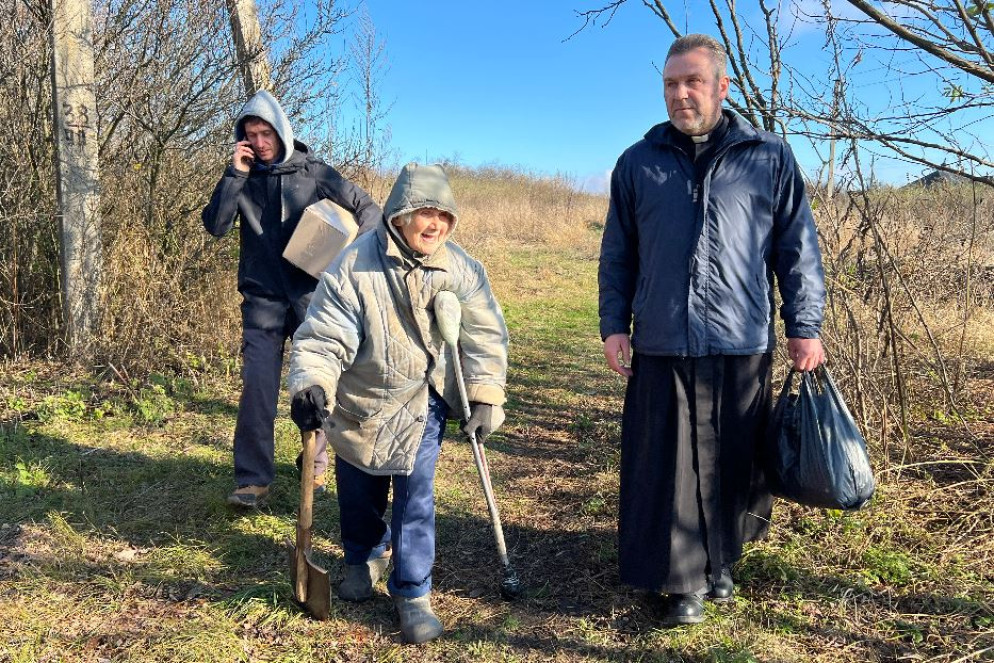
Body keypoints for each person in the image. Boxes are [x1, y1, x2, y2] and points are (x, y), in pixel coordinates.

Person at [598, 34, 827, 626]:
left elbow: (796, 248)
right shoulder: (638, 162)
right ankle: (682, 584)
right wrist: (613, 326)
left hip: (740, 336)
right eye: (671, 84)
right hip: (662, 339)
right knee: (668, 467)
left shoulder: (768, 157)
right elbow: (617, 255)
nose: (680, 94)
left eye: (692, 82)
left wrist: (805, 326)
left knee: (735, 459)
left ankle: (722, 563)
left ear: (721, 87)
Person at [286, 163, 509, 644]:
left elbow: (485, 335)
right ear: (399, 215)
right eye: (424, 213)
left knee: (416, 499)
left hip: (423, 402)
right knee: (358, 491)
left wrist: (486, 393)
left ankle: (412, 591)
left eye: (443, 216)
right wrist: (312, 383)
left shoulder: (462, 268)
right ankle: (362, 557)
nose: (435, 224)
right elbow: (324, 336)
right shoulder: (354, 265)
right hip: (360, 401)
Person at [202, 90, 382, 508]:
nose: (260, 142)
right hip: (261, 300)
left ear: (282, 131)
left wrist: (348, 259)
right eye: (251, 134)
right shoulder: (240, 177)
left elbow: (369, 211)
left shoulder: (315, 172)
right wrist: (235, 176)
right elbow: (216, 226)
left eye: (266, 133)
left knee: (316, 387)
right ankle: (252, 480)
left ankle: (314, 463)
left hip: (312, 299)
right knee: (257, 389)